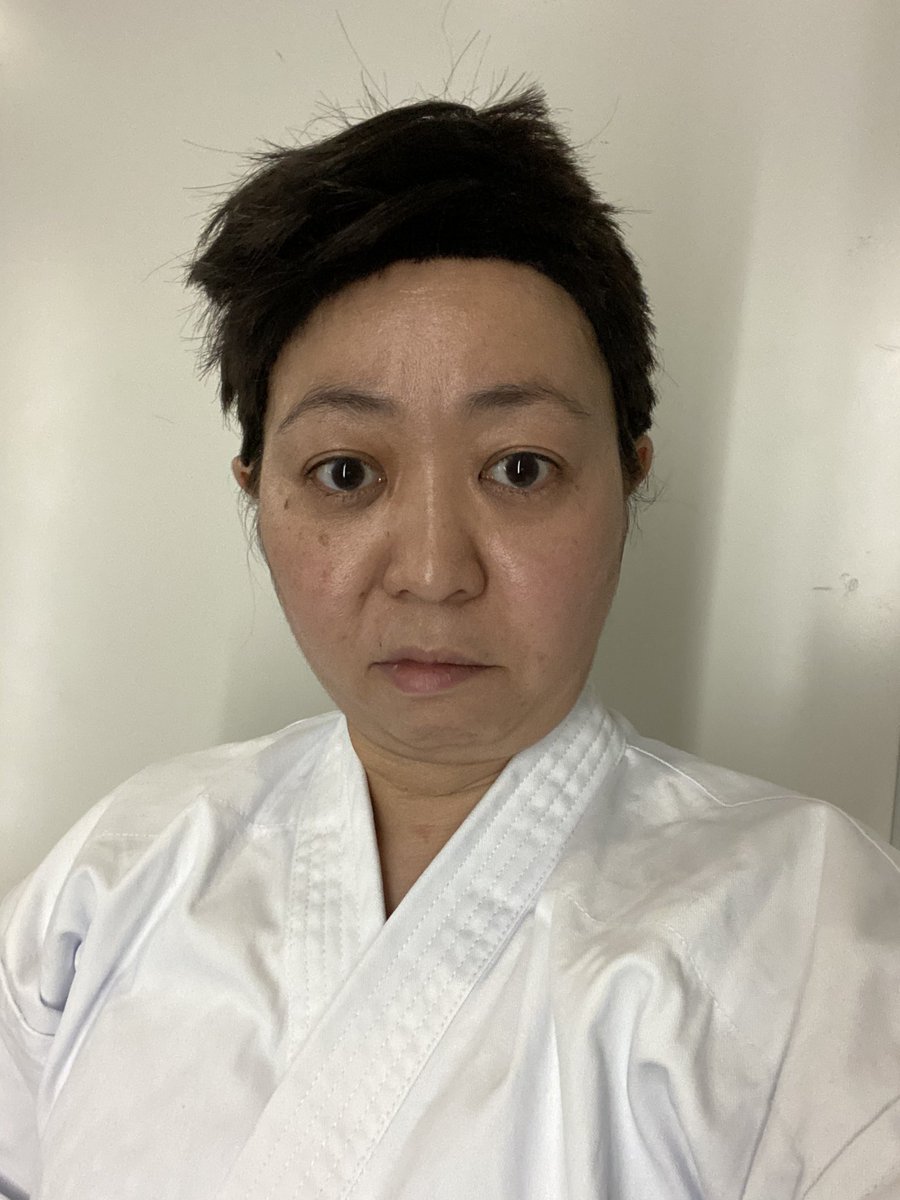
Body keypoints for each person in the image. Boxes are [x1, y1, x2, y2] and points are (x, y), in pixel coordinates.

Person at [1, 87, 898, 1200]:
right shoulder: (117, 873)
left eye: (520, 468)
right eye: (346, 472)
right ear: (255, 488)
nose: (432, 572)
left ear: (629, 475)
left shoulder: (811, 927)